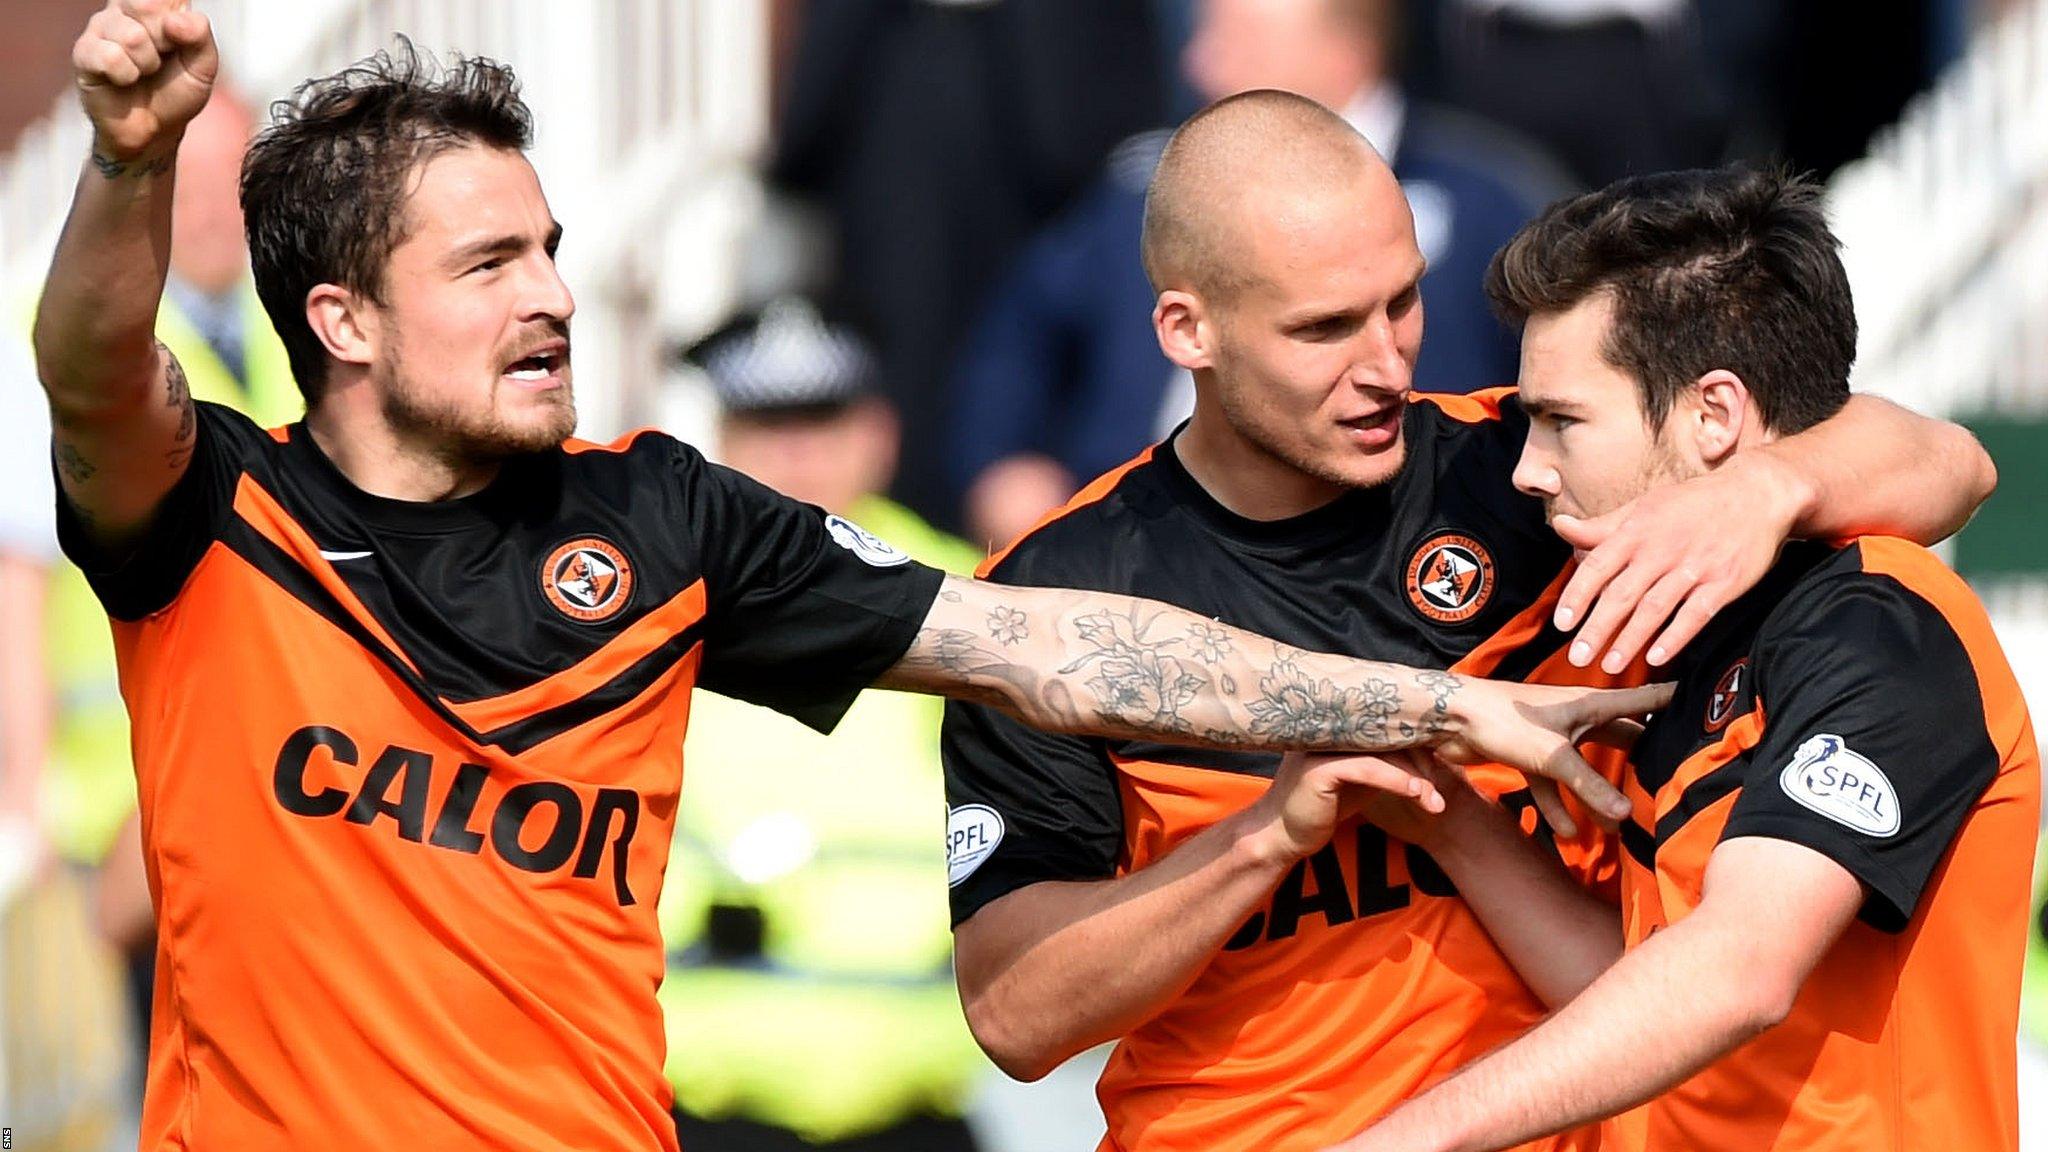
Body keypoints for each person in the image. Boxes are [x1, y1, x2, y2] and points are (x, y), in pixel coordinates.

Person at [32, 6, 1662, 1150]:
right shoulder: (215, 509)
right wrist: (125, 161)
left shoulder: (662, 519)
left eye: (545, 247)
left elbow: (1047, 650)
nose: (552, 294)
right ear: (342, 324)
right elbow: (94, 364)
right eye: (486, 265)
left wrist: (1424, 702)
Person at [939, 93, 1997, 1152]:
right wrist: (1268, 837)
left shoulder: (1526, 478)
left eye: (1400, 302)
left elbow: (1950, 463)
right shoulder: (1052, 599)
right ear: (1187, 330)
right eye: (1321, 327)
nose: (1386, 364)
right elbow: (1014, 1020)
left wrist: (1767, 487)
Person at [1325, 167, 2040, 1152]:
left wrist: (1398, 1142)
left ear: (1713, 416)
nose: (1526, 467)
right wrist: (1439, 812)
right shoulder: (1694, 625)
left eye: (1561, 420)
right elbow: (1633, 988)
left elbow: (1736, 974)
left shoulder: (1881, 621)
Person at [948, 0, 1576, 548]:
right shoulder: (1144, 186)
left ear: (1344, 51)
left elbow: (1586, 378)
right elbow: (1017, 335)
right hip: (1129, 540)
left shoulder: (1488, 199)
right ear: (1182, 329)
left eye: (1236, 39)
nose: (1200, 65)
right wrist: (1002, 464)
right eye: (1326, 325)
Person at [660, 297, 988, 1151]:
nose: (796, 454)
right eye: (767, 425)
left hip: (910, 1118)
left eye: (821, 421)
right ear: (721, 441)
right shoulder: (646, 607)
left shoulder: (969, 608)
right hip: (695, 1117)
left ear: (879, 434)